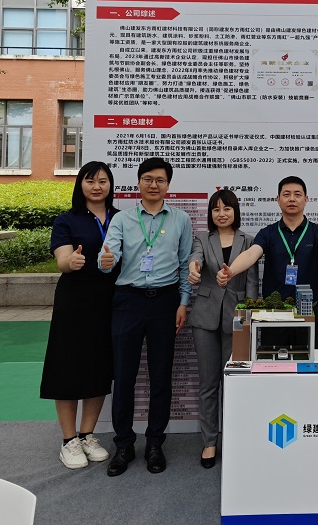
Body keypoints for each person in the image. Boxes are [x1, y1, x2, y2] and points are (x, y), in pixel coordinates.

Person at [98, 157, 193, 477]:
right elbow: (107, 257)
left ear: (168, 185)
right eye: (148, 179)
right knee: (123, 375)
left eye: (160, 180)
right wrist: (105, 261)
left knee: (160, 375)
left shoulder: (180, 219)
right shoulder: (122, 219)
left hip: (165, 302)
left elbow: (184, 264)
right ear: (138, 182)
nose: (154, 185)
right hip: (128, 301)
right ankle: (124, 444)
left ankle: (155, 443)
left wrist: (183, 303)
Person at [41, 161, 119, 470]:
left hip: (110, 300)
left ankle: (87, 435)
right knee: (68, 367)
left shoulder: (121, 219)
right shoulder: (67, 220)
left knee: (99, 366)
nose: (97, 186)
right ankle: (68, 440)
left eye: (103, 181)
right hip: (74, 302)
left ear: (110, 185)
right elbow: (62, 258)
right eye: (90, 181)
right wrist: (70, 261)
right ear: (80, 185)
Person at [221, 176, 318, 346]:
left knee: (306, 359)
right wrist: (232, 270)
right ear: (278, 199)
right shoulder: (268, 232)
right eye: (286, 194)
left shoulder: (317, 231)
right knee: (272, 359)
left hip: (307, 310)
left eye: (297, 194)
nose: (292, 199)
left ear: (306, 199)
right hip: (273, 312)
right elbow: (251, 254)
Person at [187, 189, 258, 468]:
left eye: (226, 208)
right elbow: (196, 259)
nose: (221, 214)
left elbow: (252, 282)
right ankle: (209, 442)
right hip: (205, 318)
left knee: (234, 383)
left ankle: (233, 439)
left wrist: (248, 317)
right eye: (216, 209)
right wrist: (193, 268)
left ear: (235, 211)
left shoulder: (248, 240)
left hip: (237, 318)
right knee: (208, 384)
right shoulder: (202, 239)